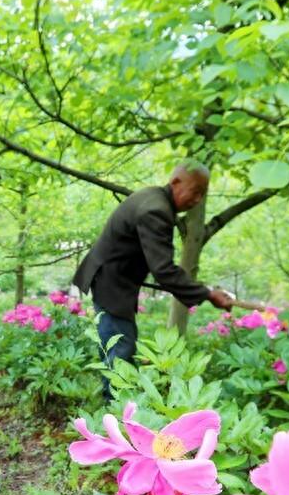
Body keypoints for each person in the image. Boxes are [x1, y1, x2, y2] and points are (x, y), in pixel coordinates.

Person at [73, 162, 234, 397]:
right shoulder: (156, 210)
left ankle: (119, 413)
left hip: (111, 280)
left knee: (119, 351)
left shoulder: (152, 199)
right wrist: (207, 295)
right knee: (120, 354)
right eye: (195, 190)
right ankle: (117, 420)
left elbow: (154, 263)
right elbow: (164, 270)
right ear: (176, 182)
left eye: (203, 194)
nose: (198, 199)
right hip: (112, 285)